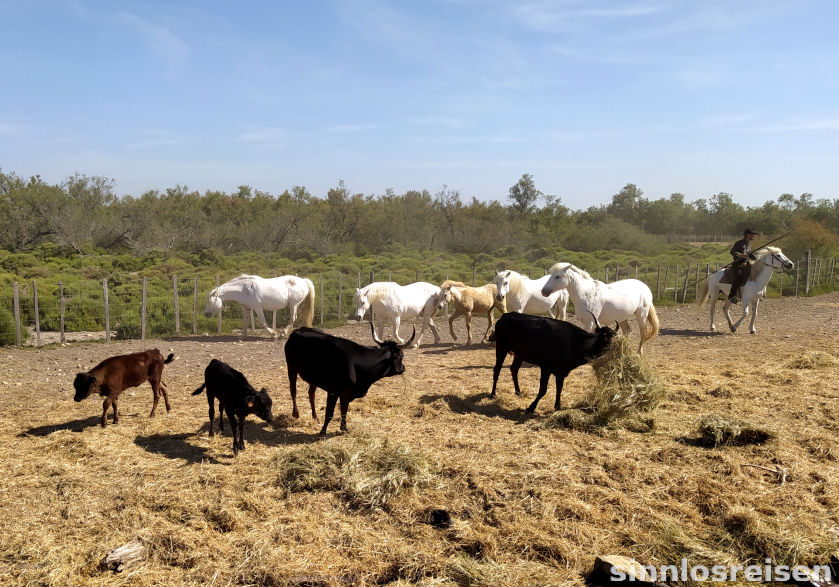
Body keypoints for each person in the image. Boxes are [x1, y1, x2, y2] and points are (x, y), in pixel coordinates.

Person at [727, 229, 759, 303]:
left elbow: (749, 254)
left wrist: (755, 258)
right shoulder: (739, 243)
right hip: (737, 264)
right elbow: (732, 252)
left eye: (754, 234)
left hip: (746, 264)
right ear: (747, 234)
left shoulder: (749, 244)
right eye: (752, 234)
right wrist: (741, 255)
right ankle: (731, 296)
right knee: (738, 277)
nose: (754, 236)